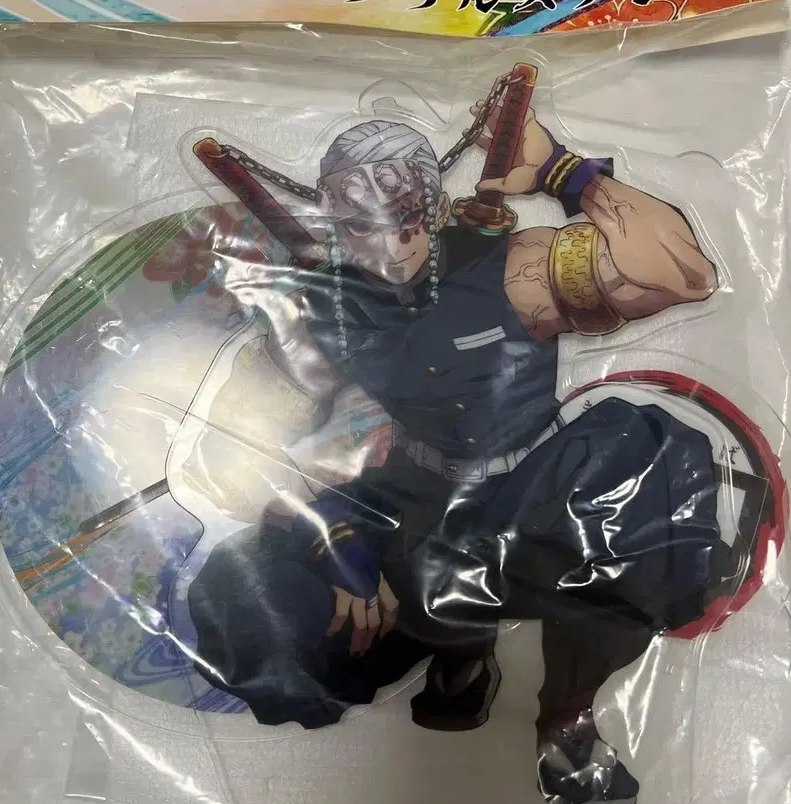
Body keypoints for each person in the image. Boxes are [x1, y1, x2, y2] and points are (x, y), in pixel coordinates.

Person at [182, 92, 729, 804]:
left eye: (408, 218)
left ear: (436, 207)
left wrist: (563, 172)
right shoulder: (324, 309)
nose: (390, 248)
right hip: (416, 502)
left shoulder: (517, 270)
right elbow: (236, 453)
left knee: (639, 474)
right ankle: (458, 652)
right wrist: (331, 536)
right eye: (362, 227)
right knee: (249, 605)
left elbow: (684, 274)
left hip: (537, 489)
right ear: (336, 224)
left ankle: (567, 717)